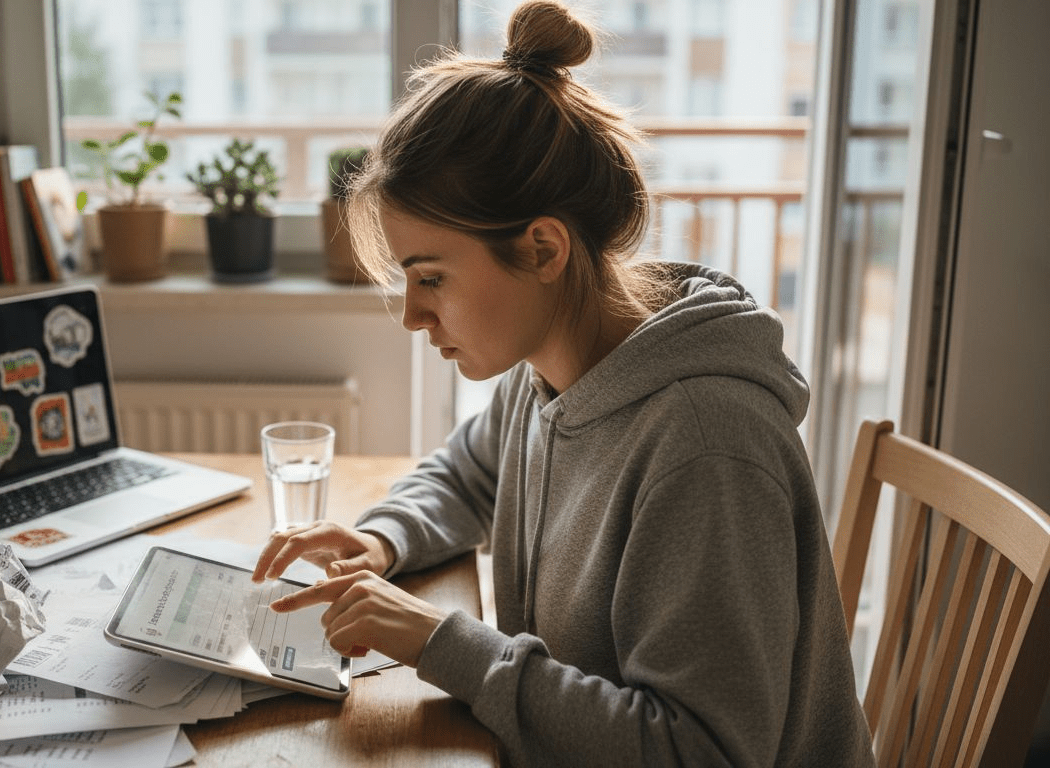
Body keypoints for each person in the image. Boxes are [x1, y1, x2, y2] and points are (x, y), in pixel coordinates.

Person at [251, 1, 874, 765]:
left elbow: (699, 752)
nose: (413, 316)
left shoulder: (708, 445)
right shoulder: (547, 370)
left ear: (543, 247)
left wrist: (440, 641)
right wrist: (384, 537)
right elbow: (466, 472)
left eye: (433, 278)